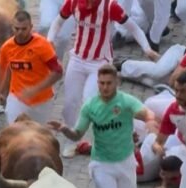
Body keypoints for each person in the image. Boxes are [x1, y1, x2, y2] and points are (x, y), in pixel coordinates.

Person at [48, 64, 157, 188]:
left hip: (125, 161)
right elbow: (77, 134)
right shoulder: (91, 106)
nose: (104, 87)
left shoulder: (125, 101)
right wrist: (64, 129)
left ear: (117, 83)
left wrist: (151, 121)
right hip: (102, 164)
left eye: (108, 83)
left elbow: (145, 112)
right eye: (101, 83)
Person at [46, 0, 158, 157]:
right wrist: (49, 40)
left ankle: (113, 137)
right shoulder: (72, 3)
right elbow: (57, 22)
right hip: (77, 59)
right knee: (69, 104)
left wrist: (147, 49)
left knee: (90, 100)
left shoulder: (110, 6)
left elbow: (133, 27)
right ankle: (72, 140)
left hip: (99, 62)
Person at [0, 10, 63, 124]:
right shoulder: (7, 47)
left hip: (42, 100)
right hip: (17, 98)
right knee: (15, 132)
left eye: (24, 29)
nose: (20, 32)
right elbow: (1, 68)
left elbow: (58, 72)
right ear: (12, 27)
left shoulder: (42, 45)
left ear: (31, 27)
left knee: (37, 135)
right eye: (16, 28)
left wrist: (35, 89)